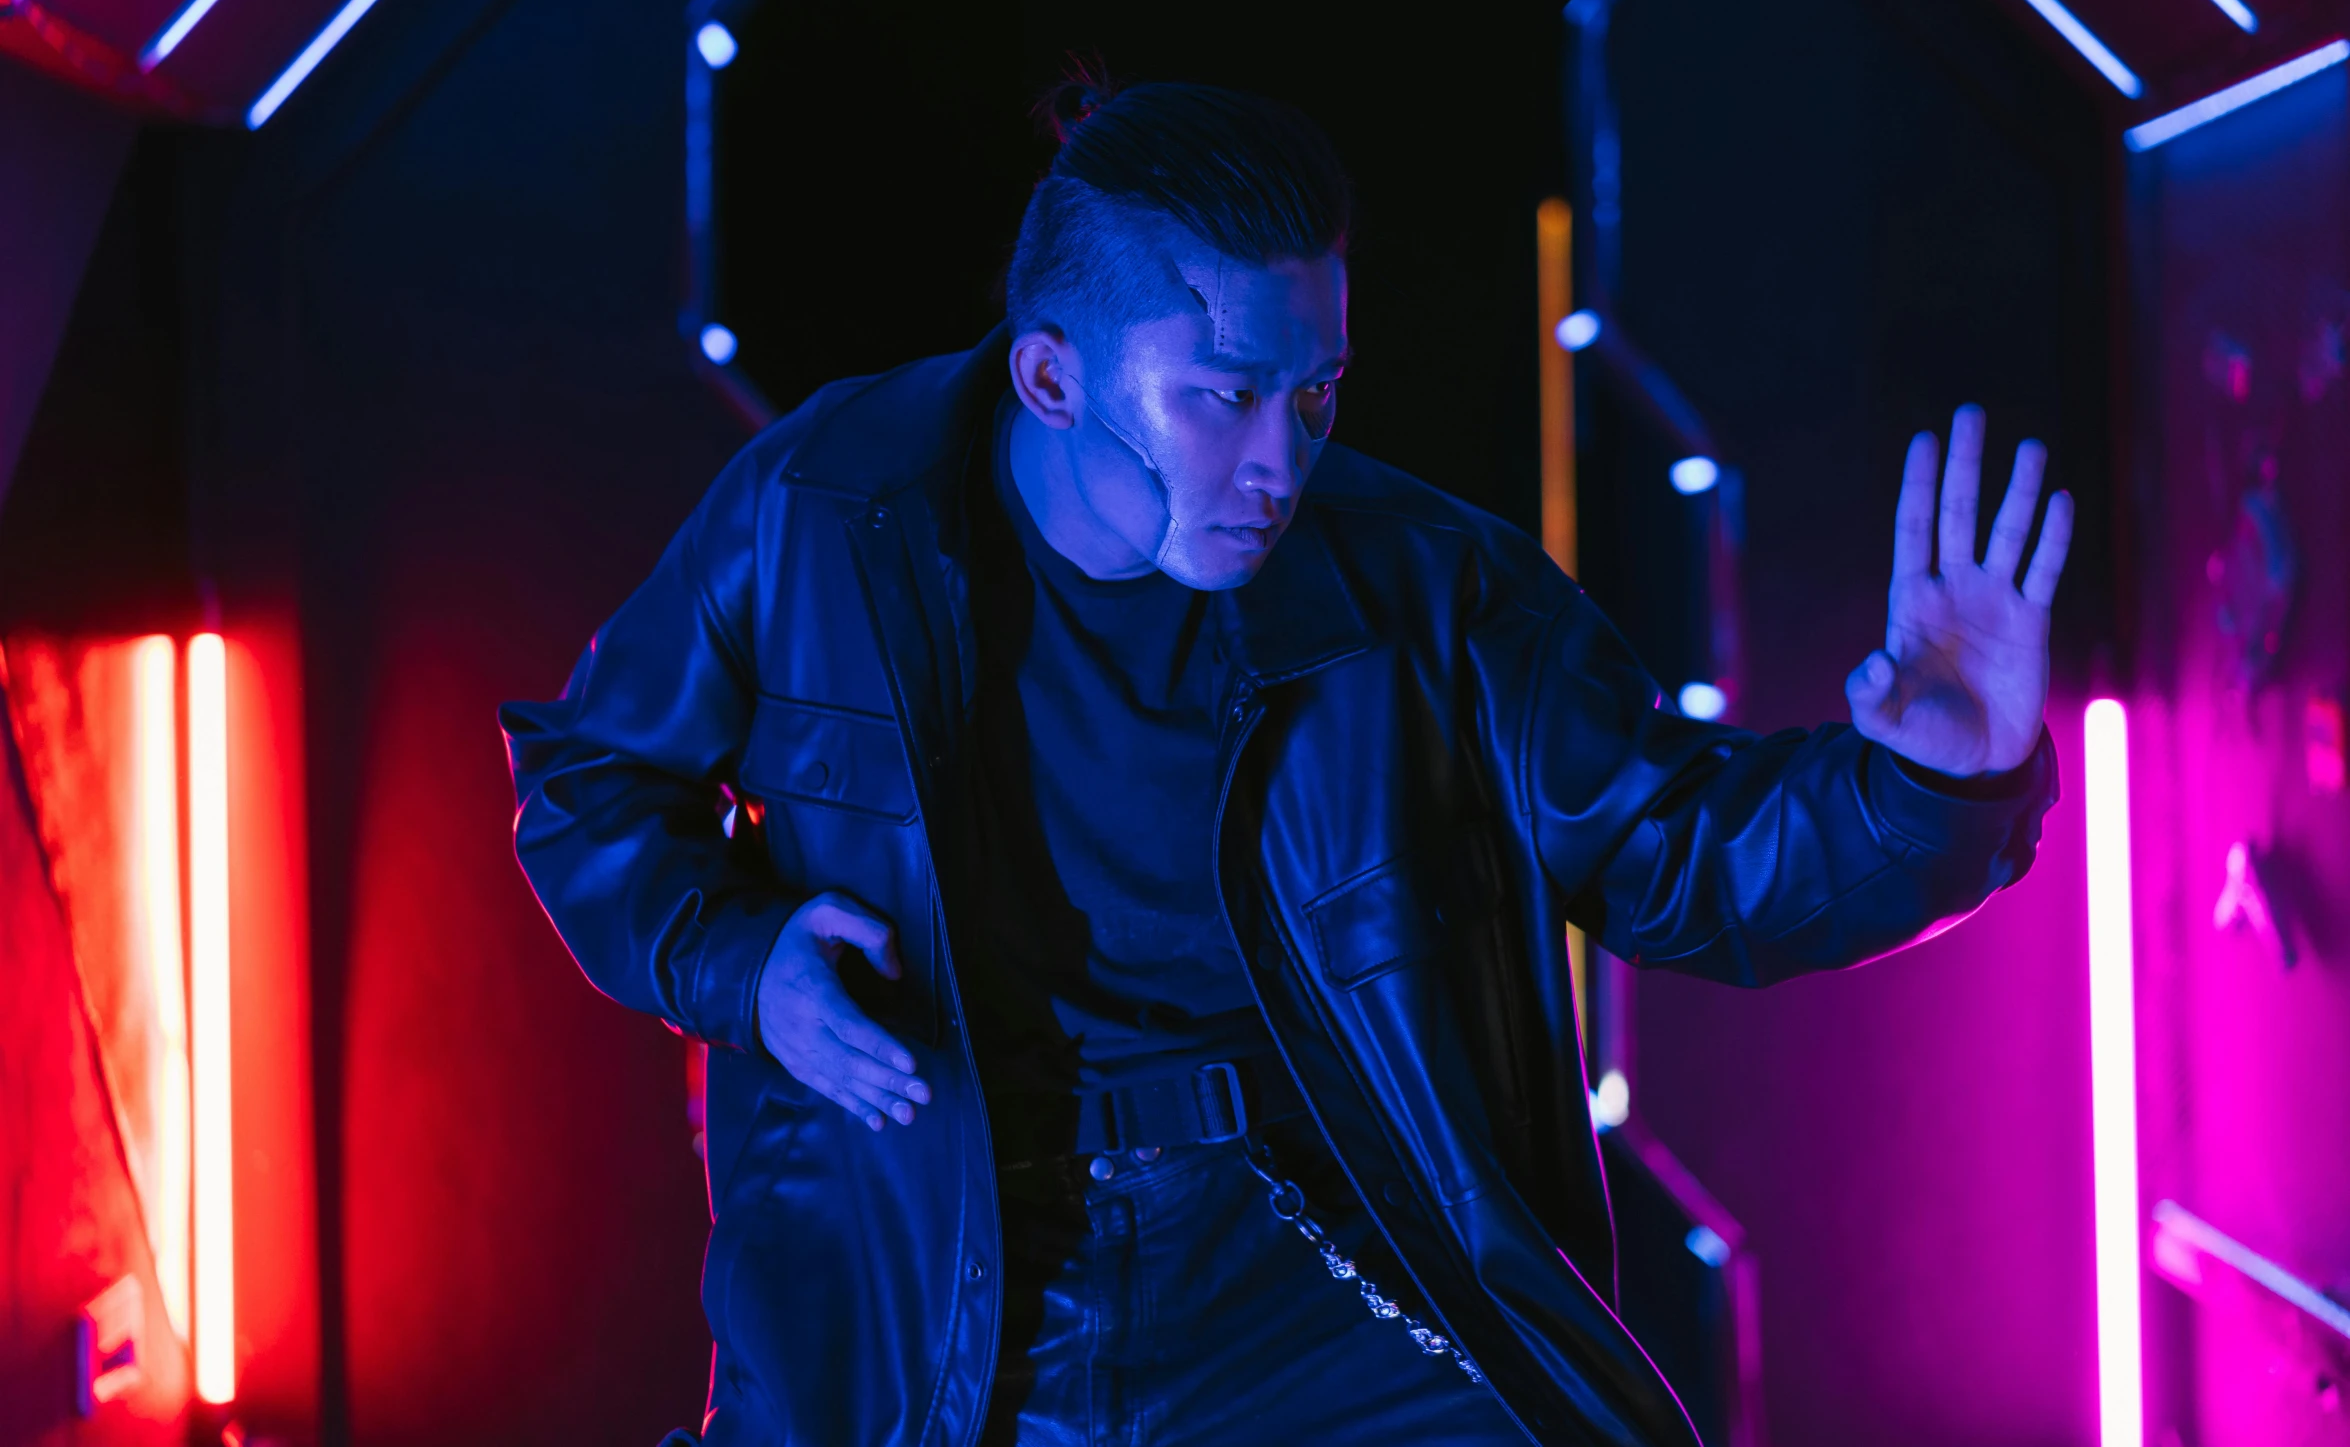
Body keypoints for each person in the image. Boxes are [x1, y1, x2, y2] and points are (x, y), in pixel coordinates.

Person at [502, 75, 2068, 1447]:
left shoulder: (1424, 586)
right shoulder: (820, 511)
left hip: (1314, 1251)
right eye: (1222, 397)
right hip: (935, 1268)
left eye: (1313, 393)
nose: (1278, 457)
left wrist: (1932, 782)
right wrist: (744, 958)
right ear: (1051, 376)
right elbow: (588, 783)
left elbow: (1670, 850)